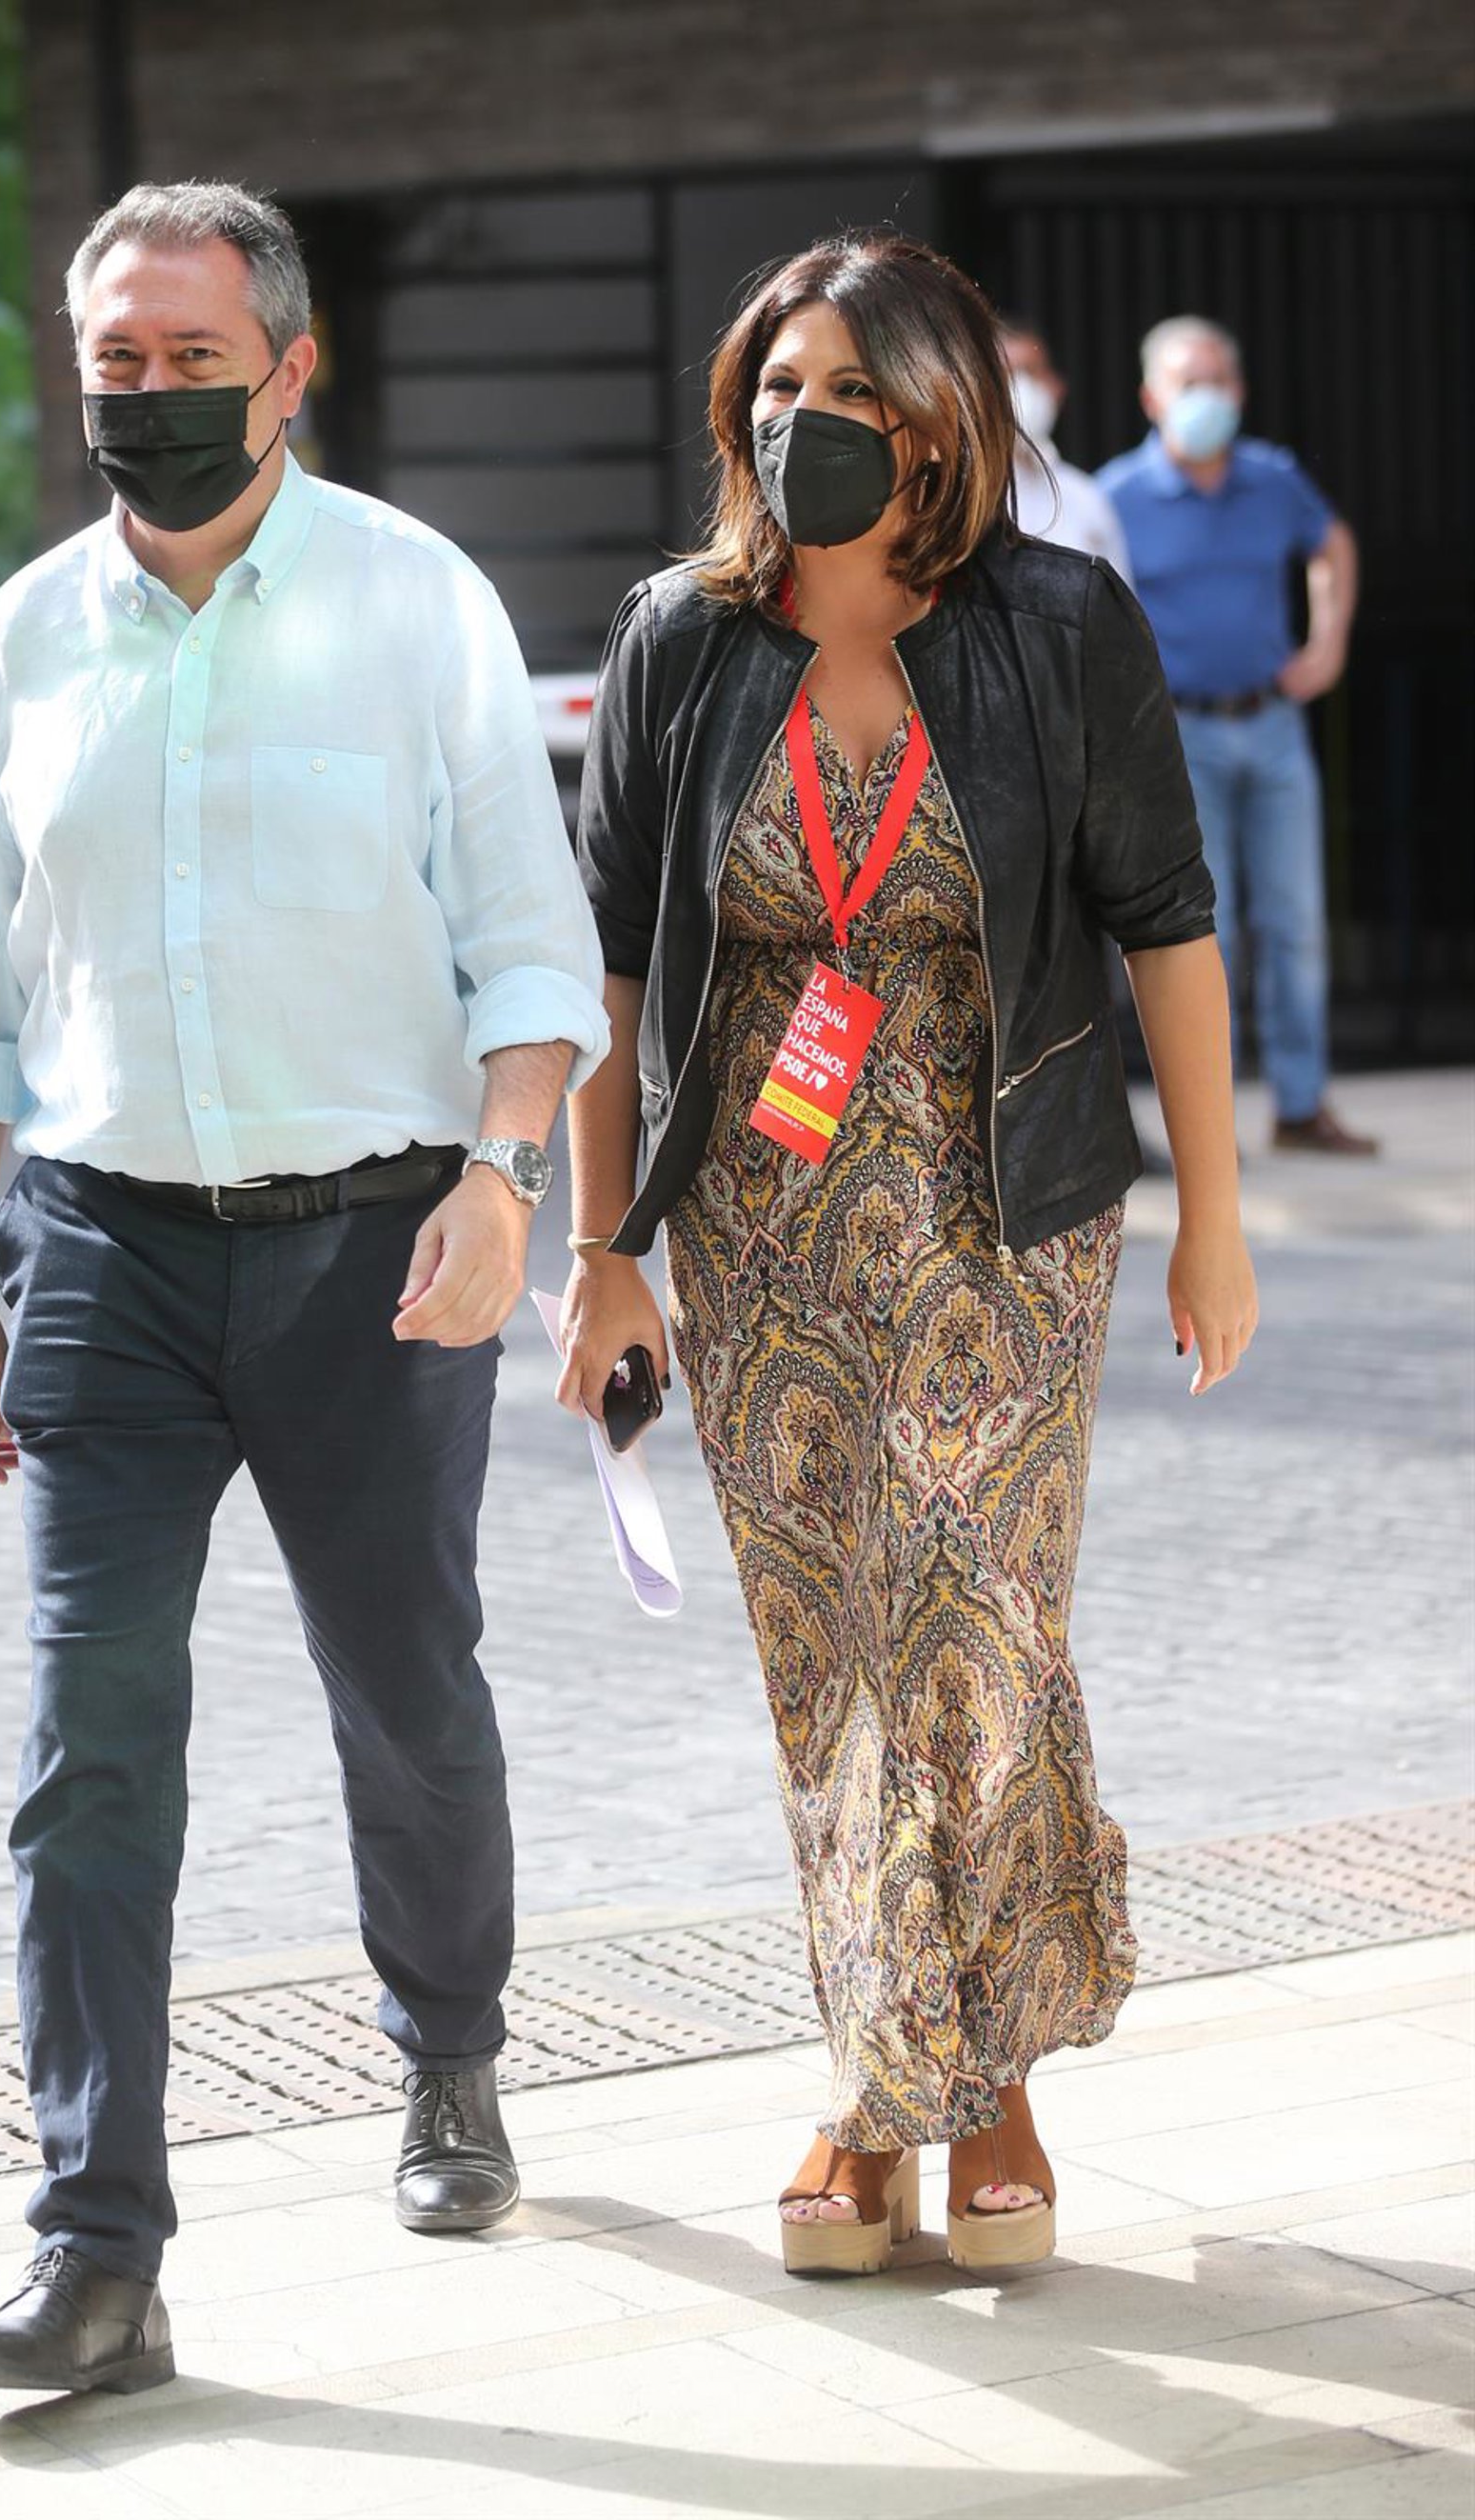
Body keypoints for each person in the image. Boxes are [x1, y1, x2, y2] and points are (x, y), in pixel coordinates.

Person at [0, 180, 608, 2396]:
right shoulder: (25, 638)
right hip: (100, 1251)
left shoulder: (417, 603)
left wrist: (507, 1187)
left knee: (407, 1697)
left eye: (193, 360)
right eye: (116, 361)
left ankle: (450, 2053)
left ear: (291, 369)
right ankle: (94, 2249)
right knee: (87, 1743)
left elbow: (533, 951)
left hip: (375, 1251)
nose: (150, 395)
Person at [558, 232, 1256, 2280]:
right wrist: (604, 1251)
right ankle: (899, 2073)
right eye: (781, 389)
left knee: (973, 1624)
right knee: (827, 1652)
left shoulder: (1060, 622)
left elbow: (1168, 924)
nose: (811, 424)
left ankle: (958, 2088)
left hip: (1001, 1203)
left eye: (856, 392)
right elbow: (606, 966)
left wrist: (1216, 1217)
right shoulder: (681, 640)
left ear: (946, 420)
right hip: (756, 1217)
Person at [1099, 317, 1375, 1155]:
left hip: (1273, 723)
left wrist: (1328, 641)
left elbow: (1332, 544)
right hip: (1177, 740)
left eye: (1219, 380)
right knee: (1198, 933)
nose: (1207, 397)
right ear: (1151, 398)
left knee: (1296, 920)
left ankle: (1300, 1105)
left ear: (1242, 392)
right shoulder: (1117, 497)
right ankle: (1206, 1121)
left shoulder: (1272, 478)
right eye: (1190, 382)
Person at [999, 317, 1130, 576]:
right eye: (1007, 375)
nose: (1021, 388)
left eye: (1032, 373)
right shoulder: (958, 499)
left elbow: (1117, 594)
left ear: (1056, 387)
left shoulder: (1085, 496)